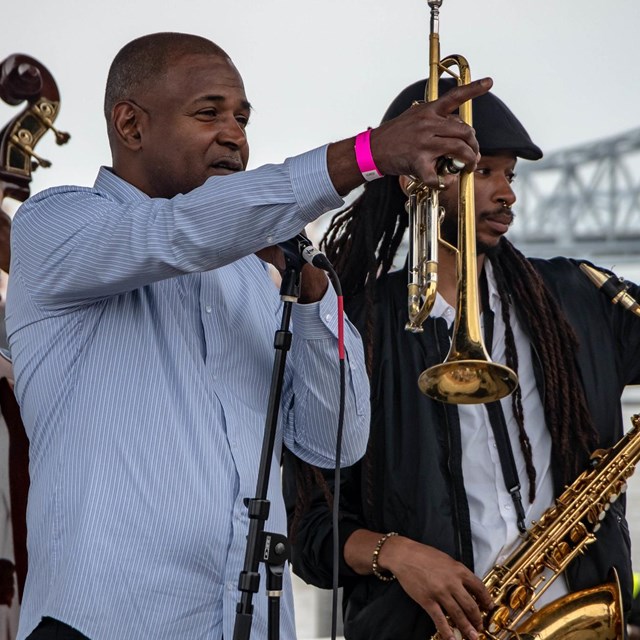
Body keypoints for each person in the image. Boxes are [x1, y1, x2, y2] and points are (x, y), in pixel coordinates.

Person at [4, 32, 491, 640]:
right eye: (209, 113)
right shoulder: (57, 222)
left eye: (242, 117)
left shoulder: (259, 276)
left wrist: (313, 296)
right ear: (130, 125)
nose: (234, 134)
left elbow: (334, 443)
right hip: (99, 625)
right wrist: (366, 155)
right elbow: (175, 232)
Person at [284, 77, 640, 640]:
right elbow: (310, 530)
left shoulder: (579, 297)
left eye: (510, 174)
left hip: (584, 620)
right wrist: (396, 554)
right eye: (482, 172)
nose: (508, 194)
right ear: (416, 179)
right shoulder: (356, 328)